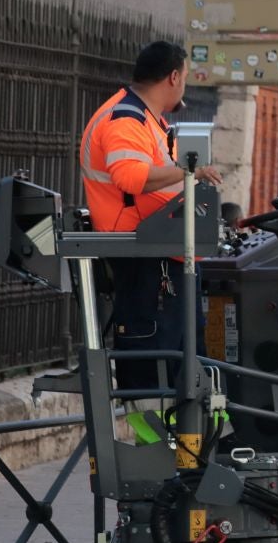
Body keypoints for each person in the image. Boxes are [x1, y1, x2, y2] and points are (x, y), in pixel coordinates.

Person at [79, 41, 220, 399]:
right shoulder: (126, 119)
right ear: (174, 76)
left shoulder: (147, 120)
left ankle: (181, 446)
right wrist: (189, 170)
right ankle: (158, 446)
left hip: (162, 252)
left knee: (181, 363)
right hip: (144, 257)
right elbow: (130, 178)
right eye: (185, 77)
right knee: (153, 367)